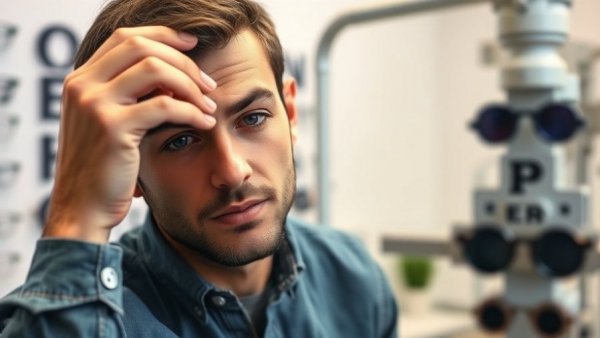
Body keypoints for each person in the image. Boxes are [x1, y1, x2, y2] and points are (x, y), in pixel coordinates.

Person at [0, 0, 398, 337]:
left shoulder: (354, 278)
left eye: (253, 118)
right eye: (180, 141)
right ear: (131, 168)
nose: (231, 170)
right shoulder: (77, 317)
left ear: (290, 113)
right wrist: (76, 217)